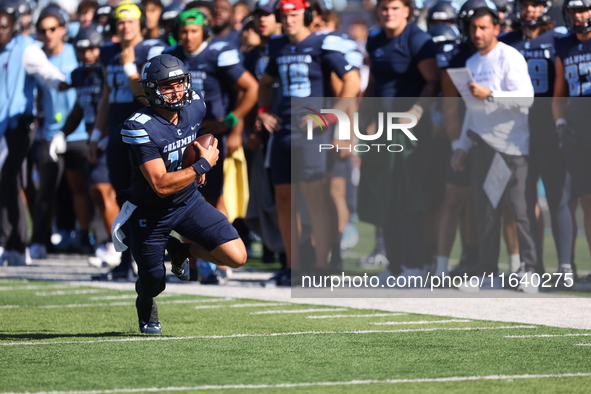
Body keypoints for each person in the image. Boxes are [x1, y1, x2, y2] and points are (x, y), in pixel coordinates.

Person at [119, 54, 246, 334]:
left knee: (237, 257)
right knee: (154, 281)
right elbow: (160, 184)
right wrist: (201, 165)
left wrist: (193, 161)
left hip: (187, 200)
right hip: (150, 211)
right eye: (168, 86)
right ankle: (146, 302)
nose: (177, 91)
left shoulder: (195, 106)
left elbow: (189, 139)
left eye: (179, 83)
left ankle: (180, 249)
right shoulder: (138, 126)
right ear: (152, 90)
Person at [257, 0, 360, 284]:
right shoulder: (277, 46)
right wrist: (263, 112)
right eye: (285, 15)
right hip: (283, 132)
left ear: (308, 15)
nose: (289, 20)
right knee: (284, 200)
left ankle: (322, 268)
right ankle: (294, 267)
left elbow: (352, 81)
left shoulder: (322, 43)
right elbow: (264, 84)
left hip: (312, 133)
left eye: (295, 14)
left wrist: (329, 116)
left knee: (317, 199)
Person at [450, 5, 541, 292]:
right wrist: (462, 145)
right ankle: (487, 271)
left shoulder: (509, 57)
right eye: (474, 28)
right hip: (483, 147)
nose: (477, 33)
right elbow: (471, 110)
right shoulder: (473, 63)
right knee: (485, 212)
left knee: (519, 210)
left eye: (483, 27)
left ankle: (530, 271)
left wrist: (491, 95)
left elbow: (526, 99)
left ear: (496, 29)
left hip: (512, 147)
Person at [358, 0, 439, 281]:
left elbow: (433, 81)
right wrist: (359, 121)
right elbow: (373, 85)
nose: (388, 13)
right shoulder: (375, 37)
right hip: (382, 130)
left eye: (394, 8)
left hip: (411, 134)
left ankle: (415, 265)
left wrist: (416, 111)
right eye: (384, 8)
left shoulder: (418, 39)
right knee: (385, 198)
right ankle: (394, 266)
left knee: (411, 199)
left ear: (407, 10)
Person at [89, 1, 166, 280]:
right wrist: (96, 135)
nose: (125, 26)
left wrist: (130, 67)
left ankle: (145, 259)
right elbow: (107, 97)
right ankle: (125, 259)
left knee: (142, 196)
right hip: (115, 130)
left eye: (130, 21)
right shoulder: (109, 51)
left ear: (141, 23)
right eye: (121, 22)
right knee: (122, 197)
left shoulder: (152, 49)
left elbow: (147, 95)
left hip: (142, 132)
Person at [499, 0, 574, 281]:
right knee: (522, 199)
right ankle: (533, 266)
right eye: (524, 4)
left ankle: (566, 266)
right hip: (515, 130)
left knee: (558, 198)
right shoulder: (505, 42)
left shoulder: (559, 39)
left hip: (547, 128)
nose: (529, 9)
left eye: (535, 3)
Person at [0, 0, 66, 266]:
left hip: (18, 127)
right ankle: (11, 243)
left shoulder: (26, 50)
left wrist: (65, 82)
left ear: (14, 25)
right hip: (2, 129)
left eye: (3, 26)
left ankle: (13, 243)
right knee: (6, 183)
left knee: (9, 182)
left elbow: (49, 74)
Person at [29, 4, 93, 259]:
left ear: (63, 29)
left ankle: (94, 239)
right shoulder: (35, 56)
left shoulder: (76, 53)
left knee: (87, 188)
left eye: (53, 28)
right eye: (43, 30)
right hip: (50, 133)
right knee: (45, 191)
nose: (48, 34)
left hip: (79, 132)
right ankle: (39, 241)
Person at [553, 0, 591, 288]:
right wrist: (561, 124)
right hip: (577, 130)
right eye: (575, 11)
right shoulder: (564, 45)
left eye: (584, 9)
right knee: (586, 202)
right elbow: (558, 93)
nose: (580, 16)